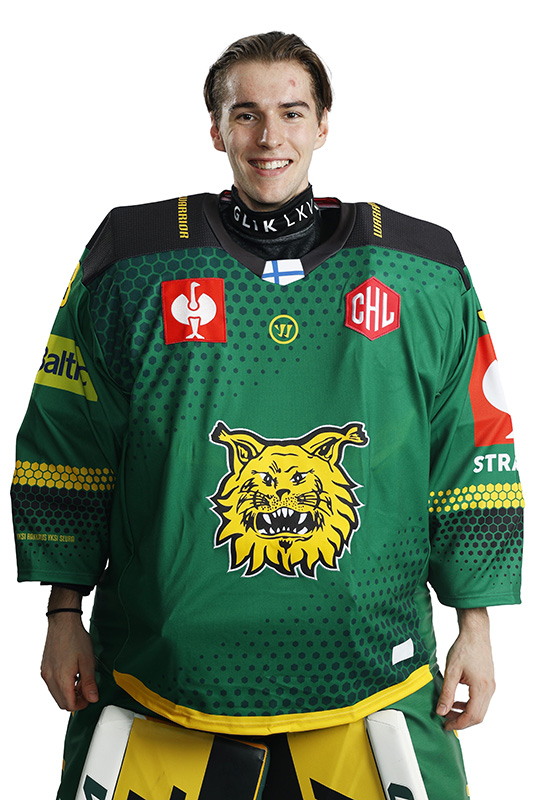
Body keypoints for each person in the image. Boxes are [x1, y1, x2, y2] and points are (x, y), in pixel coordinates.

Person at [11, 31, 523, 800]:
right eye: (245, 114)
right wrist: (61, 613)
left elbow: (468, 451)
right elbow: (68, 439)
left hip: (374, 678)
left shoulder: (420, 267)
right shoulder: (131, 260)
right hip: (159, 674)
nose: (268, 136)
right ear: (215, 129)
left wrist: (475, 627)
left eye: (291, 112)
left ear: (323, 125)